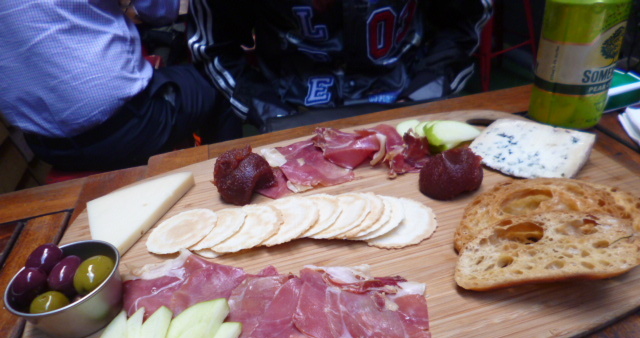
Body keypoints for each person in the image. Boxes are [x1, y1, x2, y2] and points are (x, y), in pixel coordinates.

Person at [0, 0, 241, 172]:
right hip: (129, 129)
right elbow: (161, 10)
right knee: (222, 84)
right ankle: (230, 179)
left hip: (47, 147)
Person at [187, 0, 492, 132]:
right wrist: (272, 114)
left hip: (406, 99)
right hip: (294, 109)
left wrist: (424, 93)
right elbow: (214, 46)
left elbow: (463, 22)